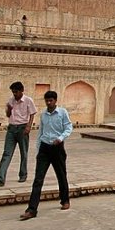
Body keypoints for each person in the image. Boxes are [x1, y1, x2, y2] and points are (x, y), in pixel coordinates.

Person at [20, 91, 73, 221]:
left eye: (51, 101)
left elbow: (68, 128)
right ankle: (32, 209)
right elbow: (40, 132)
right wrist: (38, 150)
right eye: (47, 101)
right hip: (44, 148)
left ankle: (65, 200)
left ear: (55, 101)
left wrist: (60, 138)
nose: (49, 103)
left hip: (57, 148)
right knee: (38, 179)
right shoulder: (43, 114)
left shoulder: (62, 113)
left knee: (61, 175)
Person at [0, 81, 37, 186]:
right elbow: (8, 115)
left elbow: (32, 114)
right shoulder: (11, 100)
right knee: (7, 153)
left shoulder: (28, 100)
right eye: (13, 92)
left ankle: (23, 174)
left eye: (16, 92)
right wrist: (9, 110)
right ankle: (0, 178)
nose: (14, 94)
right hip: (11, 129)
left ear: (21, 91)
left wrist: (29, 126)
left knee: (23, 153)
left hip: (22, 128)